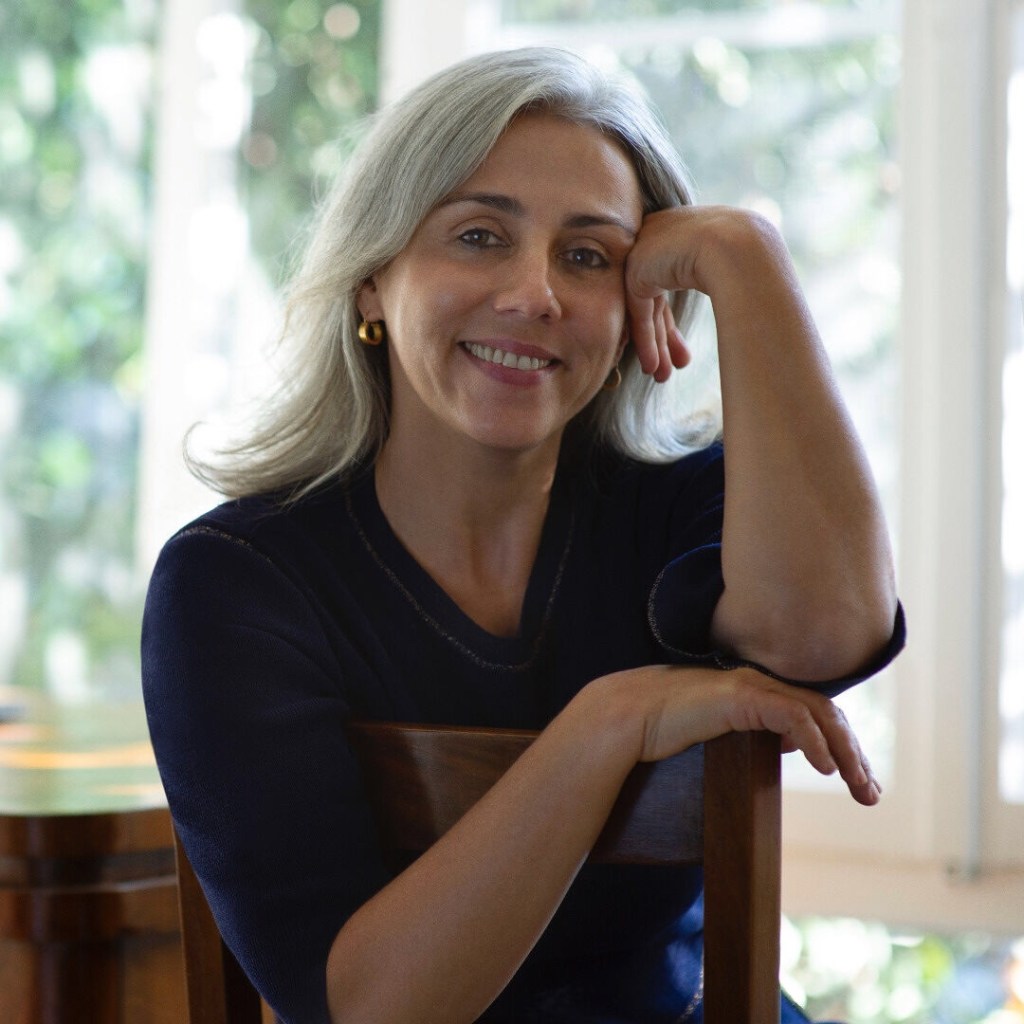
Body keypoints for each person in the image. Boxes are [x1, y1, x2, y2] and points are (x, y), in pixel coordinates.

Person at [142, 47, 904, 1024]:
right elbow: (364, 1009)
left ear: (636, 312)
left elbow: (826, 634)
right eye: (478, 236)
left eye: (588, 257)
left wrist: (745, 256)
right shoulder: (236, 583)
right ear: (372, 281)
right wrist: (609, 722)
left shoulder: (681, 504)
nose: (535, 294)